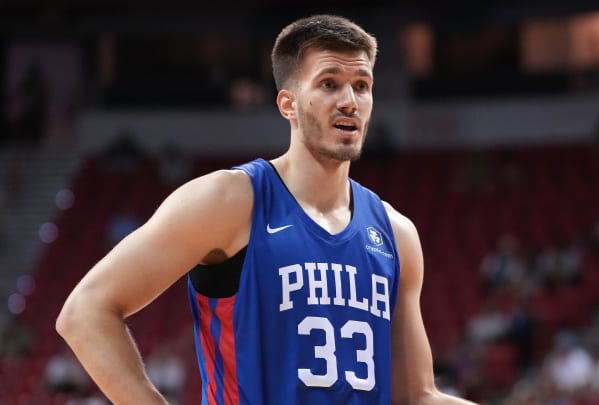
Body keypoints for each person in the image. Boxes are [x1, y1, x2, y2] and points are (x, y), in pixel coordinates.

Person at [56, 14, 479, 405]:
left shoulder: (397, 234)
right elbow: (86, 312)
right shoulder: (229, 201)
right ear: (288, 104)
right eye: (329, 83)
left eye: (362, 85)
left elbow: (417, 395)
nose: (350, 100)